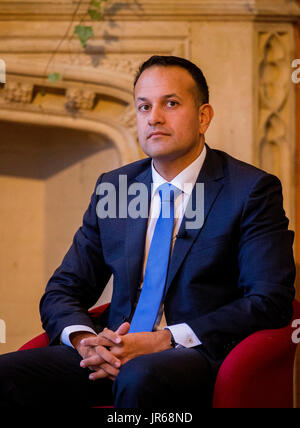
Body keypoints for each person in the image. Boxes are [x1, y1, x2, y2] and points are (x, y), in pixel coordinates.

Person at [0, 56, 296, 409]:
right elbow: (64, 288)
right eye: (144, 106)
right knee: (7, 374)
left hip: (197, 355)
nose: (154, 117)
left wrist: (165, 340)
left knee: (140, 377)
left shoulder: (249, 190)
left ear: (204, 117)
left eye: (170, 103)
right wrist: (85, 340)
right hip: (110, 353)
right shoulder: (117, 188)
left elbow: (269, 300)